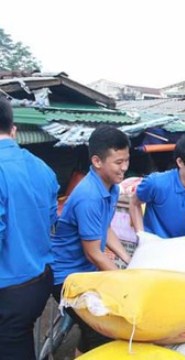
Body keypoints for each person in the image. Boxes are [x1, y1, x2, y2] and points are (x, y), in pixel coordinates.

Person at [51, 125, 131, 355]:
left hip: (86, 272)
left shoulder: (112, 188)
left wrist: (128, 259)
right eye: (118, 162)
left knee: (96, 326)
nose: (124, 168)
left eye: (126, 160)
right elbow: (93, 253)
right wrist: (125, 283)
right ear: (97, 161)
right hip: (65, 277)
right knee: (103, 329)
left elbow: (104, 226)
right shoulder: (89, 196)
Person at [0, 97, 59, 360]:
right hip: (37, 280)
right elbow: (48, 222)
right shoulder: (43, 168)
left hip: (8, 287)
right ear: (13, 130)